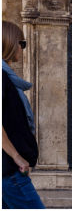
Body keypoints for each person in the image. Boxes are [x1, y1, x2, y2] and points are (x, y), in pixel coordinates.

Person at [2, 21, 45, 209]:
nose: (22, 48)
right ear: (11, 43)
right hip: (10, 171)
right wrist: (17, 156)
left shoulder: (8, 79)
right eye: (22, 43)